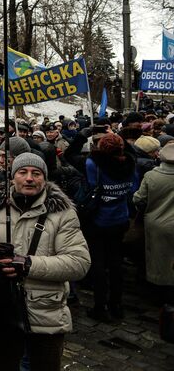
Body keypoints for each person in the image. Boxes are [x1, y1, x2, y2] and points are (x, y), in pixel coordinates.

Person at [0, 153, 91, 371]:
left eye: (36, 173)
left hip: (46, 312)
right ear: (12, 176)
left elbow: (79, 262)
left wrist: (28, 264)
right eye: (22, 172)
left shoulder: (63, 213)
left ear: (44, 178)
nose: (29, 178)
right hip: (4, 308)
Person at [83, 132, 138, 321]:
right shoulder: (130, 163)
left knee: (98, 264)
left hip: (99, 220)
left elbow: (91, 185)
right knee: (116, 263)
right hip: (120, 217)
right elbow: (134, 187)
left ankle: (101, 306)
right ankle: (116, 304)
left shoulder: (94, 164)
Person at [132, 144, 174, 303]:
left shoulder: (151, 176)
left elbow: (139, 199)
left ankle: (161, 294)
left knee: (159, 260)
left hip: (157, 224)